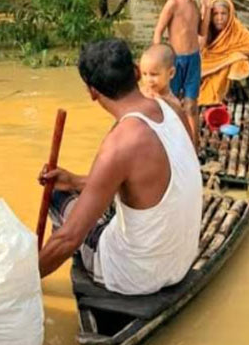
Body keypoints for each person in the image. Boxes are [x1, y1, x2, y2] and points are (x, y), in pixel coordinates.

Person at [38, 39, 202, 296]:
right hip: (181, 263)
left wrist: (22, 279)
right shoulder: (173, 109)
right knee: (78, 195)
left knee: (57, 198)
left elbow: (67, 239)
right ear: (136, 71)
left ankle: (80, 264)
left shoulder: (120, 143)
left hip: (133, 276)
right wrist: (73, 181)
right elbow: (151, 179)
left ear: (92, 92)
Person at [152, 0, 212, 149]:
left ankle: (193, 148)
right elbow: (158, 31)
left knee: (192, 106)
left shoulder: (195, 5)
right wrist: (158, 60)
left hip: (193, 60)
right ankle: (170, 147)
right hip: (175, 61)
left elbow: (202, 32)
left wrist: (207, 8)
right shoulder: (173, 4)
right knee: (171, 104)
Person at [198, 0, 249, 105]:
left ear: (230, 14)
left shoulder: (238, 30)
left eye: (223, 14)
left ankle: (229, 89)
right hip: (210, 63)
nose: (219, 18)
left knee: (237, 59)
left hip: (231, 65)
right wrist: (205, 12)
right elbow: (199, 47)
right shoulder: (207, 29)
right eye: (215, 14)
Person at [139, 43, 187, 121]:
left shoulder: (174, 104)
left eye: (153, 74)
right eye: (144, 74)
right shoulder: (140, 95)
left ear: (171, 73)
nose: (148, 80)